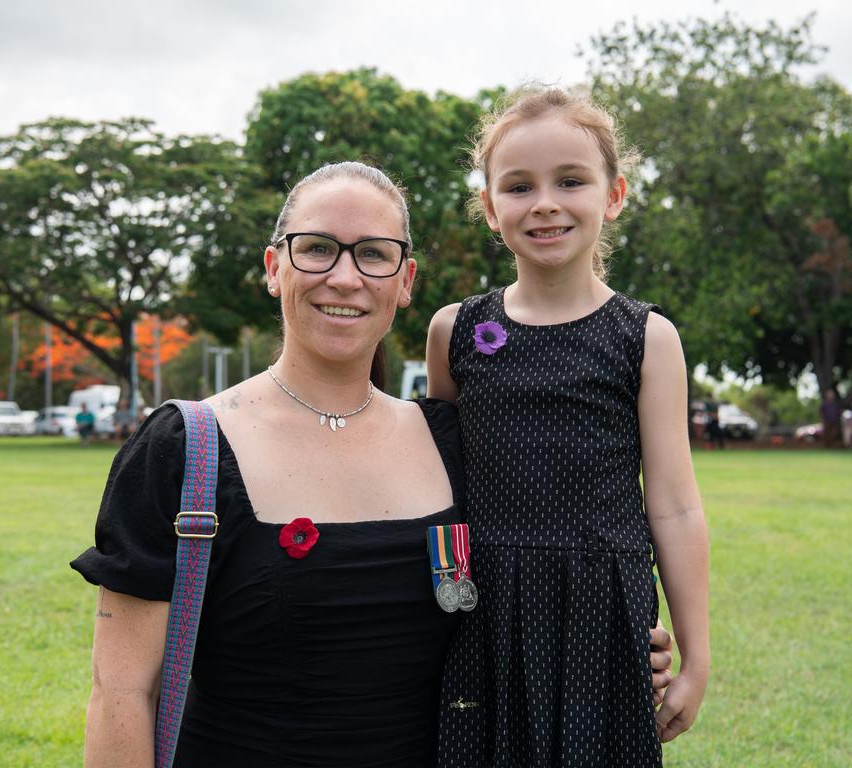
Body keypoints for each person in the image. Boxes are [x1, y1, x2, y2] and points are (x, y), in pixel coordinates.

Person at [72, 161, 674, 767]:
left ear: (405, 280)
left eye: (373, 255)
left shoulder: (451, 441)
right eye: (316, 249)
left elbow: (531, 575)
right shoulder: (185, 449)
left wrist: (615, 644)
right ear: (273, 268)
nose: (343, 276)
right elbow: (123, 692)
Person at [427, 89, 708, 767]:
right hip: (479, 610)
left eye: (571, 181)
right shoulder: (454, 331)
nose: (545, 202)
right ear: (492, 210)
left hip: (601, 611)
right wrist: (443, 596)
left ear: (613, 196)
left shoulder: (646, 337)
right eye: (519, 186)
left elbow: (672, 504)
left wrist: (696, 658)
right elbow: (438, 493)